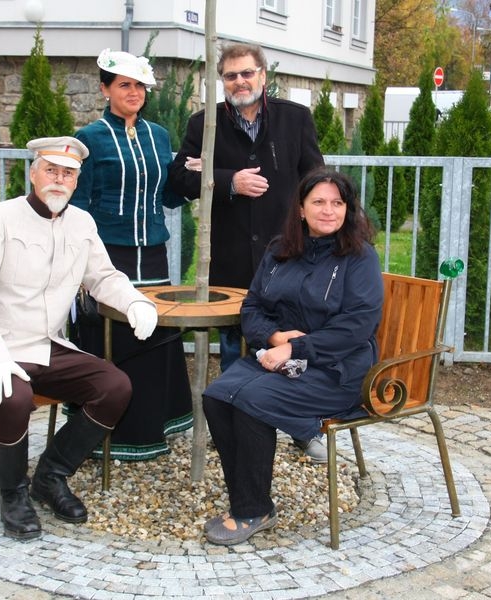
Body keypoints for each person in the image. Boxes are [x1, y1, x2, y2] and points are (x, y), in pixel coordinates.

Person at [0, 136, 159, 541]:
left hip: (47, 345)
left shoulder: (81, 224)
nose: (59, 179)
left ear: (76, 181)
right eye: (51, 170)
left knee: (115, 386)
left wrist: (135, 302)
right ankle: (12, 494)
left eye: (68, 173)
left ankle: (50, 476)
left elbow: (103, 277)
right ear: (33, 172)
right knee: (14, 399)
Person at [201, 167, 384, 545]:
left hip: (339, 371)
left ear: (348, 210)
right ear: (300, 209)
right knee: (216, 396)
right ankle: (249, 496)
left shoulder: (359, 257)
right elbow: (252, 307)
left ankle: (251, 509)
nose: (328, 210)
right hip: (281, 358)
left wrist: (295, 348)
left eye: (337, 203)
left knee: (251, 400)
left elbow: (357, 326)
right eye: (318, 202)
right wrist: (275, 336)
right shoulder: (280, 250)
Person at [168, 42, 326, 460]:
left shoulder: (295, 119)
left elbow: (314, 180)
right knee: (237, 343)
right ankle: (237, 425)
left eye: (247, 73)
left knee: (294, 339)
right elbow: (180, 181)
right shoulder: (205, 124)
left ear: (263, 76)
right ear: (221, 81)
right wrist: (227, 180)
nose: (240, 81)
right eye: (231, 75)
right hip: (232, 257)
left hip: (289, 255)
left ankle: (303, 427)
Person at [69, 49, 193, 461]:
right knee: (114, 338)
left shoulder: (159, 135)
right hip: (109, 257)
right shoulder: (89, 138)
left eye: (140, 85)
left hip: (154, 255)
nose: (134, 92)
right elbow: (79, 208)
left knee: (155, 336)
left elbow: (171, 196)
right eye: (124, 84)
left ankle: (151, 429)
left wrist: (193, 173)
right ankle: (109, 434)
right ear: (105, 89)